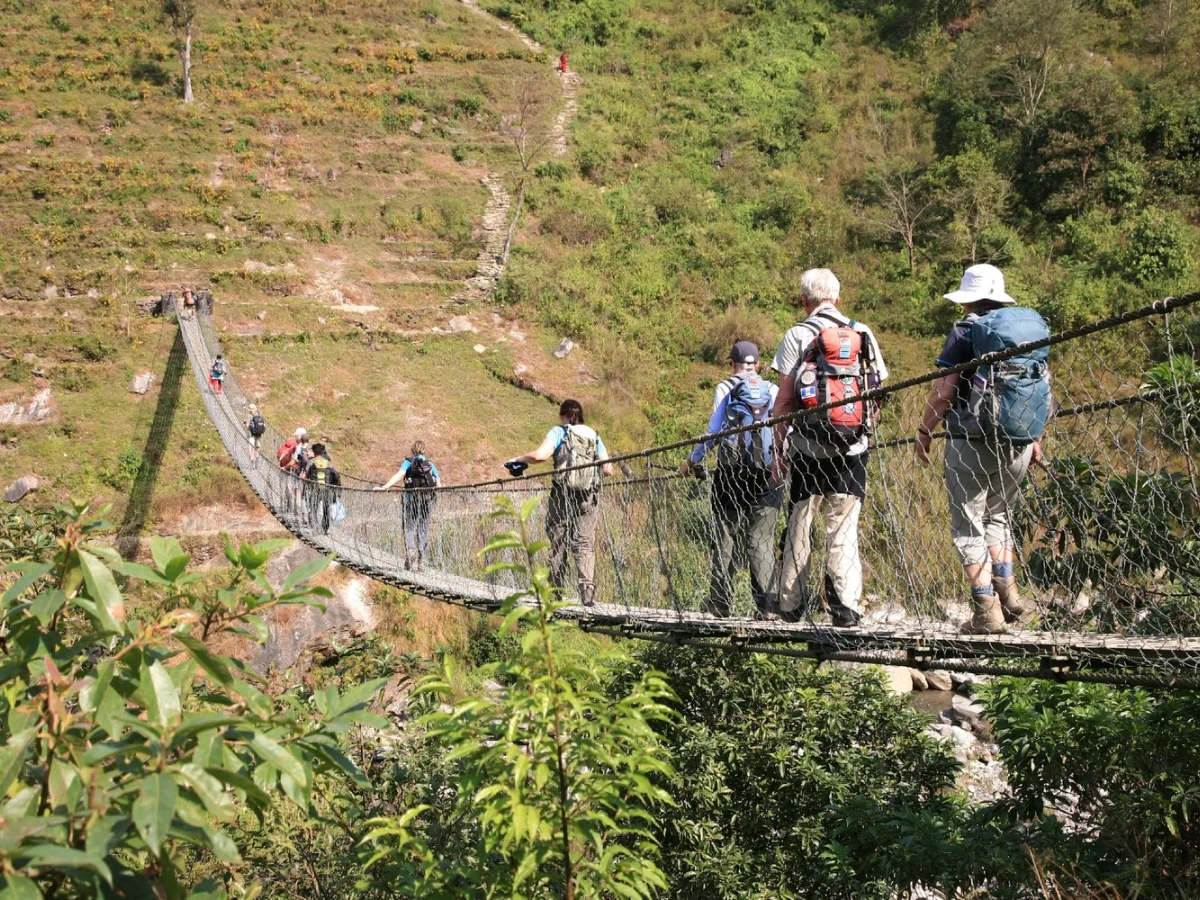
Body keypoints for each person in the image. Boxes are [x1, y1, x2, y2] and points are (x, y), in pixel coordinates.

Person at [916, 264, 1050, 634]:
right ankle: (1010, 597)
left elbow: (945, 388)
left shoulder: (966, 329)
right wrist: (1035, 436)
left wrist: (924, 430)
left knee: (968, 525)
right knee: (999, 516)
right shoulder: (1026, 330)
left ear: (970, 298)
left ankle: (985, 611)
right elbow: (1039, 386)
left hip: (972, 441)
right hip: (1021, 440)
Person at [771, 268, 888, 627]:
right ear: (837, 298)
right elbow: (878, 389)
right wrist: (862, 430)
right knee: (843, 529)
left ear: (805, 300)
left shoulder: (798, 334)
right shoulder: (861, 332)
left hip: (807, 450)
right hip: (852, 450)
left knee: (799, 525)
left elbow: (785, 401)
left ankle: (790, 606)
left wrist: (778, 450)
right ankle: (846, 608)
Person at [681, 341, 781, 617]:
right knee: (761, 539)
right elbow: (786, 427)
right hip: (768, 473)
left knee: (725, 535)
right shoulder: (772, 389)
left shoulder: (726, 388)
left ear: (731, 364)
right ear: (758, 365)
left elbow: (714, 431)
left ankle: (721, 602)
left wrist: (692, 462)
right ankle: (767, 607)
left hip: (731, 473)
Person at [507, 399, 613, 606]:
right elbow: (608, 470)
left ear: (562, 415)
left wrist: (518, 459)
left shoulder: (559, 431)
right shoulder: (594, 435)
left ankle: (554, 594)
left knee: (558, 543)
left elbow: (540, 456)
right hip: (587, 497)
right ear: (581, 416)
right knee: (584, 543)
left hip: (562, 495)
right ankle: (587, 592)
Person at [377, 440, 441, 571]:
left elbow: (399, 475)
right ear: (424, 451)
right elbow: (439, 485)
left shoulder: (408, 462)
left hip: (410, 500)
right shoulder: (430, 464)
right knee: (423, 527)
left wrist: (385, 487)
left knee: (409, 527)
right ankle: (421, 559)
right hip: (426, 500)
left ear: (412, 450)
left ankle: (410, 551)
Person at [302, 442, 342, 534]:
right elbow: (334, 475)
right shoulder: (328, 463)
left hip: (315, 489)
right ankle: (325, 529)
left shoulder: (311, 462)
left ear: (314, 452)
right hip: (326, 488)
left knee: (313, 508)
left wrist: (304, 489)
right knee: (326, 509)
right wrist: (337, 490)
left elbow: (306, 477)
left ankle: (314, 527)